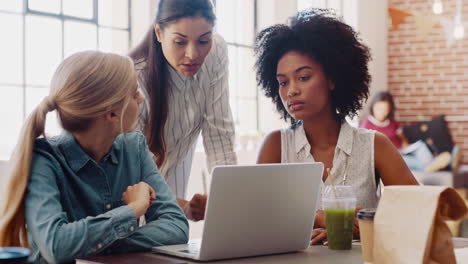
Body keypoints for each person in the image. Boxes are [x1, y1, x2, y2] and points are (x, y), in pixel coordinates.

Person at [0, 51, 188, 263]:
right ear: (112, 114)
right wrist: (132, 210)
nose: (141, 98)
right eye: (134, 94)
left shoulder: (134, 147)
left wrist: (98, 243)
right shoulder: (43, 159)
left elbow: (176, 226)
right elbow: (57, 246)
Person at [254, 9, 419, 245]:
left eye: (303, 77)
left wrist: (366, 227)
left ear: (332, 78)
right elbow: (256, 221)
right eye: (282, 82)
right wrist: (319, 219)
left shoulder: (375, 146)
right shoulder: (276, 146)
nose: (291, 91)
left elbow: (421, 214)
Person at [129, 0, 237, 221]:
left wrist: (227, 200)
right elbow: (132, 174)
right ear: (159, 33)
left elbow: (219, 136)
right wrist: (185, 207)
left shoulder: (216, 52)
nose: (193, 54)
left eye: (203, 40)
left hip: (172, 170)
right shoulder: (133, 77)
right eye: (180, 42)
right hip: (129, 195)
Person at [361, 91, 451, 172]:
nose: (382, 112)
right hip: (389, 155)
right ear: (373, 107)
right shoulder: (367, 124)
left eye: (385, 110)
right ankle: (433, 164)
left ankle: (435, 163)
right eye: (380, 109)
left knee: (420, 146)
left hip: (401, 150)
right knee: (405, 161)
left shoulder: (392, 122)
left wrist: (405, 144)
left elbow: (401, 136)